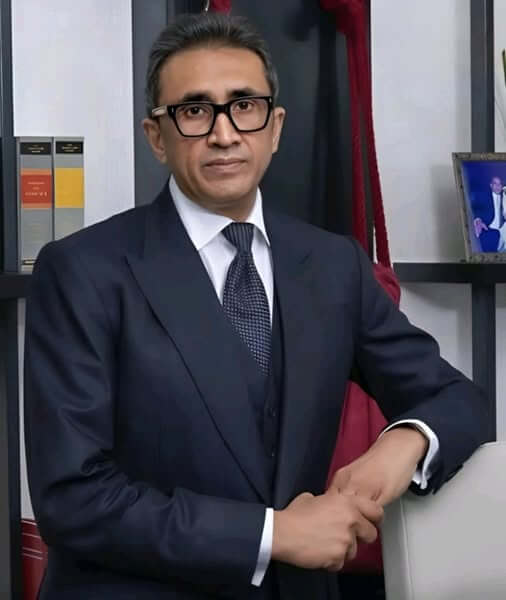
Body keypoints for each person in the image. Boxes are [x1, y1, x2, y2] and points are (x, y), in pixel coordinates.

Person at [24, 12, 488, 600]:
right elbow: (73, 498)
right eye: (195, 111)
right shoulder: (83, 270)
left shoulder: (333, 265)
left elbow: (458, 400)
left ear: (275, 127)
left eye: (245, 106)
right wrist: (273, 535)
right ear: (156, 137)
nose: (224, 134)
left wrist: (405, 443)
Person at [472, 175, 506, 252]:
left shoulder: (504, 197)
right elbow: (476, 208)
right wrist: (478, 220)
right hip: (489, 229)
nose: (498, 186)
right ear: (491, 185)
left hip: (503, 229)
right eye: (495, 183)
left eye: (500, 184)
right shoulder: (484, 197)